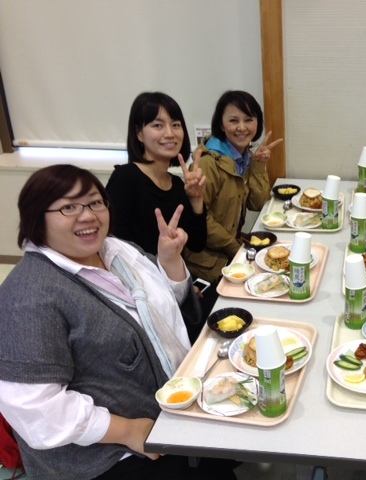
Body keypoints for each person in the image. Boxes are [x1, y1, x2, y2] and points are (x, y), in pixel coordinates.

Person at [0, 165, 237, 480]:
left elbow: (165, 307)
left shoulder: (117, 251)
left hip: (165, 419)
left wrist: (168, 260)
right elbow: (37, 411)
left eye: (95, 202)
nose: (87, 216)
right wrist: (128, 430)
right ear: (36, 218)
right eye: (68, 207)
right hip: (109, 458)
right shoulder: (29, 296)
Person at [183, 90, 283, 290]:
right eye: (233, 120)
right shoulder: (209, 163)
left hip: (229, 250)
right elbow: (201, 219)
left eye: (248, 120)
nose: (242, 127)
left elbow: (257, 203)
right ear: (221, 124)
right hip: (206, 262)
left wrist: (258, 165)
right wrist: (236, 248)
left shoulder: (242, 155)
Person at [106, 92, 207, 257]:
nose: (170, 133)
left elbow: (197, 244)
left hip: (173, 272)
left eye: (175, 125)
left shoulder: (177, 184)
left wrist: (196, 200)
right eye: (158, 125)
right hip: (140, 274)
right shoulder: (126, 178)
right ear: (139, 133)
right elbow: (115, 249)